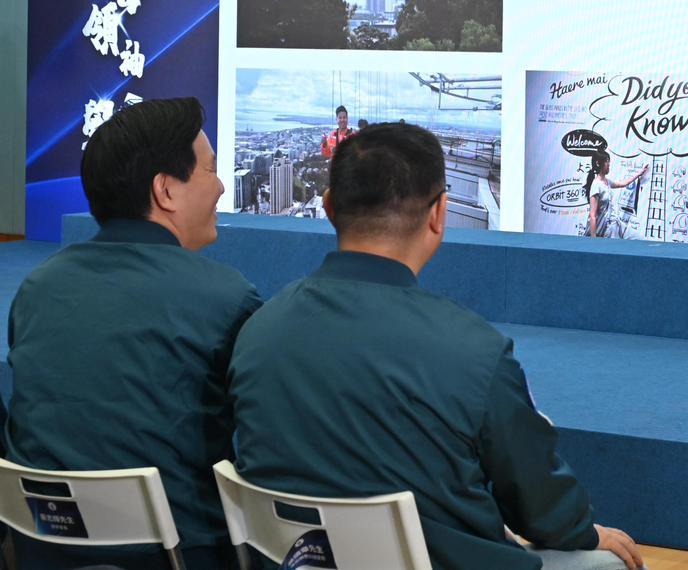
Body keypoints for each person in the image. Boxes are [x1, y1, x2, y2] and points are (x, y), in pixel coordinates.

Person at [227, 124, 644, 570]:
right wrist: (586, 531)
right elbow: (544, 512)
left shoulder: (258, 330)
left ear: (328, 208)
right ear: (439, 214)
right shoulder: (475, 351)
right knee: (611, 561)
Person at [7, 97, 261, 570]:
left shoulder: (37, 289)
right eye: (209, 171)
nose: (223, 187)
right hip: (181, 555)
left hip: (39, 550)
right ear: (165, 190)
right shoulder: (226, 299)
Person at [586, 151, 647, 238]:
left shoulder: (606, 182)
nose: (609, 164)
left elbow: (623, 183)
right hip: (607, 229)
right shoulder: (596, 185)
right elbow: (592, 215)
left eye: (609, 161)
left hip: (615, 223)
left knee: (638, 237)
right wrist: (593, 239)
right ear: (598, 163)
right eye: (606, 161)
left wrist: (639, 173)